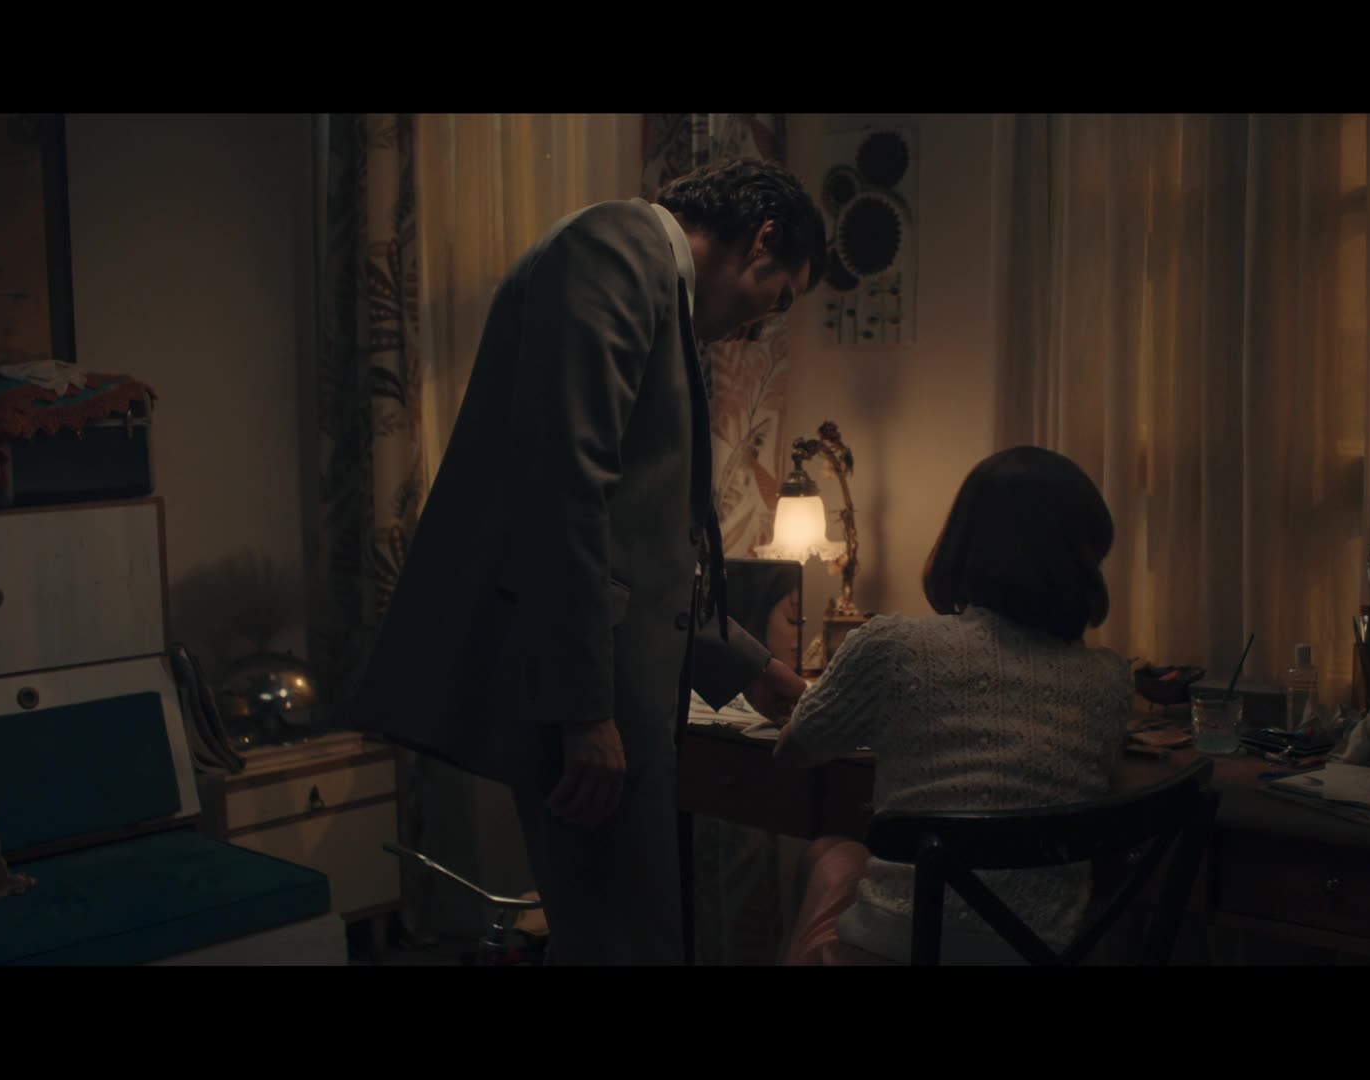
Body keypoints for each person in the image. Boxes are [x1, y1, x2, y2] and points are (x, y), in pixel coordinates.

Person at [352, 157, 824, 964]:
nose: (758, 328)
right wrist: (583, 710)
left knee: (626, 934)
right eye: (777, 300)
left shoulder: (658, 288)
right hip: (590, 694)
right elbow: (565, 490)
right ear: (763, 238)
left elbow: (644, 550)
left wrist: (749, 666)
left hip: (613, 691)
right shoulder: (615, 249)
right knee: (622, 942)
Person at [773, 446, 1132, 965]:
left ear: (961, 544)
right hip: (1037, 955)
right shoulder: (1111, 681)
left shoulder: (891, 646)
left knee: (828, 854)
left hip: (898, 952)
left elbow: (793, 752)